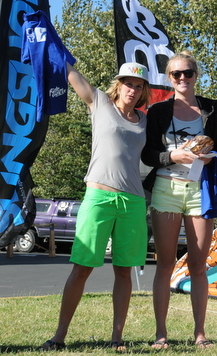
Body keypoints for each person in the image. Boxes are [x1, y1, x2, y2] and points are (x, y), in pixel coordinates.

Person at [40, 61, 151, 352]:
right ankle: (59, 337)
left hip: (133, 202)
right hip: (98, 198)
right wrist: (51, 41)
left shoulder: (144, 120)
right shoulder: (100, 102)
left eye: (139, 86)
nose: (133, 89)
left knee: (124, 272)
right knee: (82, 268)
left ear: (143, 91)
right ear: (119, 84)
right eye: (128, 83)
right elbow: (71, 74)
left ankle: (117, 338)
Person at [141, 51, 217, 349]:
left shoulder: (213, 110)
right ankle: (161, 334)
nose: (183, 78)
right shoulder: (157, 111)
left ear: (196, 75)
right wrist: (172, 156)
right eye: (177, 74)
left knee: (198, 265)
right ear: (169, 78)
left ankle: (200, 333)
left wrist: (210, 158)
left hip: (200, 191)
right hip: (166, 190)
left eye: (188, 73)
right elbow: (148, 155)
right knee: (165, 263)